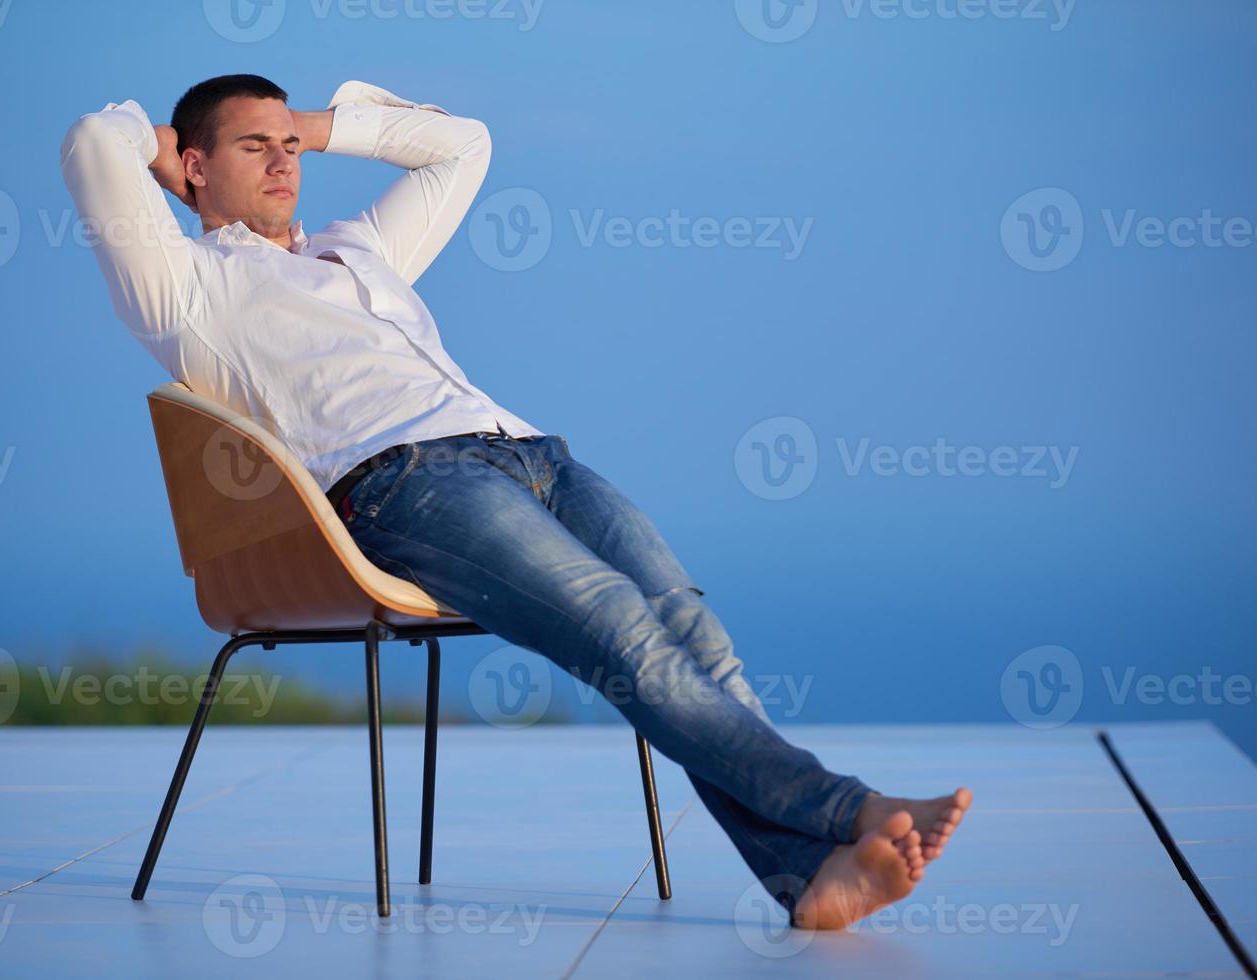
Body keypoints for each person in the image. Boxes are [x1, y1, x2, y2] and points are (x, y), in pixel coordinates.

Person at [59, 73, 970, 929]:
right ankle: (849, 808)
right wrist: (155, 142)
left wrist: (321, 125)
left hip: (531, 455)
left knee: (692, 630)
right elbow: (91, 141)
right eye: (254, 146)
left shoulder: (359, 247)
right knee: (619, 630)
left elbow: (461, 146)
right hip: (402, 487)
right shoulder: (185, 287)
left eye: (289, 142)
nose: (284, 160)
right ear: (192, 167)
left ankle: (807, 877)